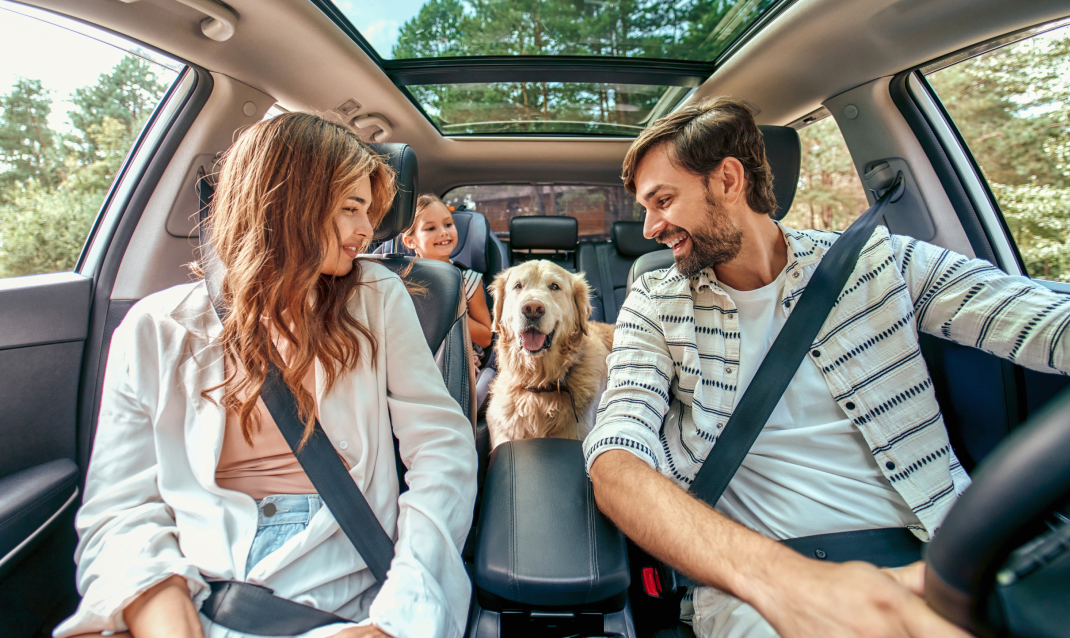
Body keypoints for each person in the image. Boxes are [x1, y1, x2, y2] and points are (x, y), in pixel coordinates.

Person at [584, 96, 1070, 638]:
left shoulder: (880, 261)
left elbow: (1040, 321)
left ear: (726, 180)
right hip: (759, 579)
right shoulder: (654, 300)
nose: (649, 227)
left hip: (938, 553)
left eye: (663, 200)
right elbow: (616, 458)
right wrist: (790, 585)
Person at [56, 113, 478, 638]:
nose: (367, 230)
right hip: (194, 585)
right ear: (284, 201)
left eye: (368, 212)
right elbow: (120, 508)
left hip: (341, 593)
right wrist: (163, 610)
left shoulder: (377, 297)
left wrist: (402, 615)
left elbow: (441, 447)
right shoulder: (154, 328)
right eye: (350, 209)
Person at [399, 194, 494, 368]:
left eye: (448, 225)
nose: (443, 232)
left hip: (457, 360)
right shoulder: (400, 280)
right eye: (430, 228)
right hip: (411, 359)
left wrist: (447, 311)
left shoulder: (469, 280)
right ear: (410, 241)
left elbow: (486, 338)